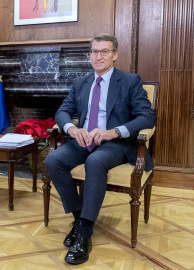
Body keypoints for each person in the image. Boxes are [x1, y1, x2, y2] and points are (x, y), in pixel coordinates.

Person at [44, 33, 155, 265]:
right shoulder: (81, 82)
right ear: (89, 55)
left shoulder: (130, 81)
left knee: (95, 163)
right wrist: (72, 130)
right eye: (94, 51)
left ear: (115, 55)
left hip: (116, 143)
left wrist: (113, 132)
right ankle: (79, 220)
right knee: (53, 160)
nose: (98, 56)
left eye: (104, 51)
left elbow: (147, 116)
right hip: (84, 140)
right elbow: (62, 111)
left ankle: (84, 236)